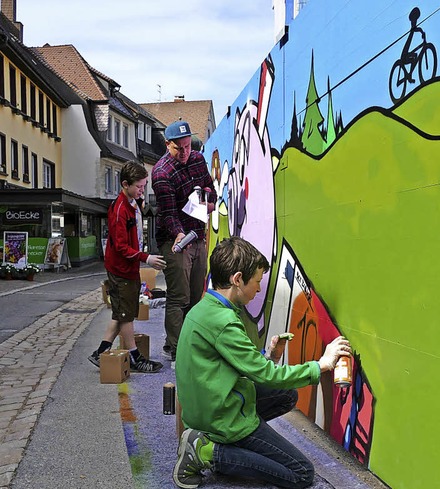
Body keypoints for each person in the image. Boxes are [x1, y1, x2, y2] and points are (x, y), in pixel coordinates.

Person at [172, 236, 351, 489]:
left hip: (207, 408)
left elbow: (238, 365)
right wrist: (321, 364)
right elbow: (266, 375)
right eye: (256, 282)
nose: (258, 289)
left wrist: (272, 356)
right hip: (220, 418)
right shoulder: (224, 321)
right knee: (301, 473)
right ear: (237, 280)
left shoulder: (205, 308)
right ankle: (207, 452)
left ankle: (227, 446)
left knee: (286, 395)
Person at [89, 161, 166, 373]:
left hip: (127, 268)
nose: (143, 190)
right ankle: (134, 356)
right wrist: (146, 258)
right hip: (121, 269)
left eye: (145, 185)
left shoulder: (133, 202)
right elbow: (122, 247)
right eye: (139, 186)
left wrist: (142, 202)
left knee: (122, 312)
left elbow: (146, 213)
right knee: (125, 315)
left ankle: (101, 353)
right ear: (125, 184)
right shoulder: (120, 209)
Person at [151, 120, 216, 361]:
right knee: (179, 296)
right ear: (168, 145)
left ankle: (190, 341)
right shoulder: (161, 173)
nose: (185, 153)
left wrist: (209, 203)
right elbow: (168, 213)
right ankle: (176, 347)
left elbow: (211, 188)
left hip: (197, 234)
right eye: (179, 148)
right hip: (174, 240)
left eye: (188, 146)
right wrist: (179, 234)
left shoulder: (198, 160)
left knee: (196, 294)